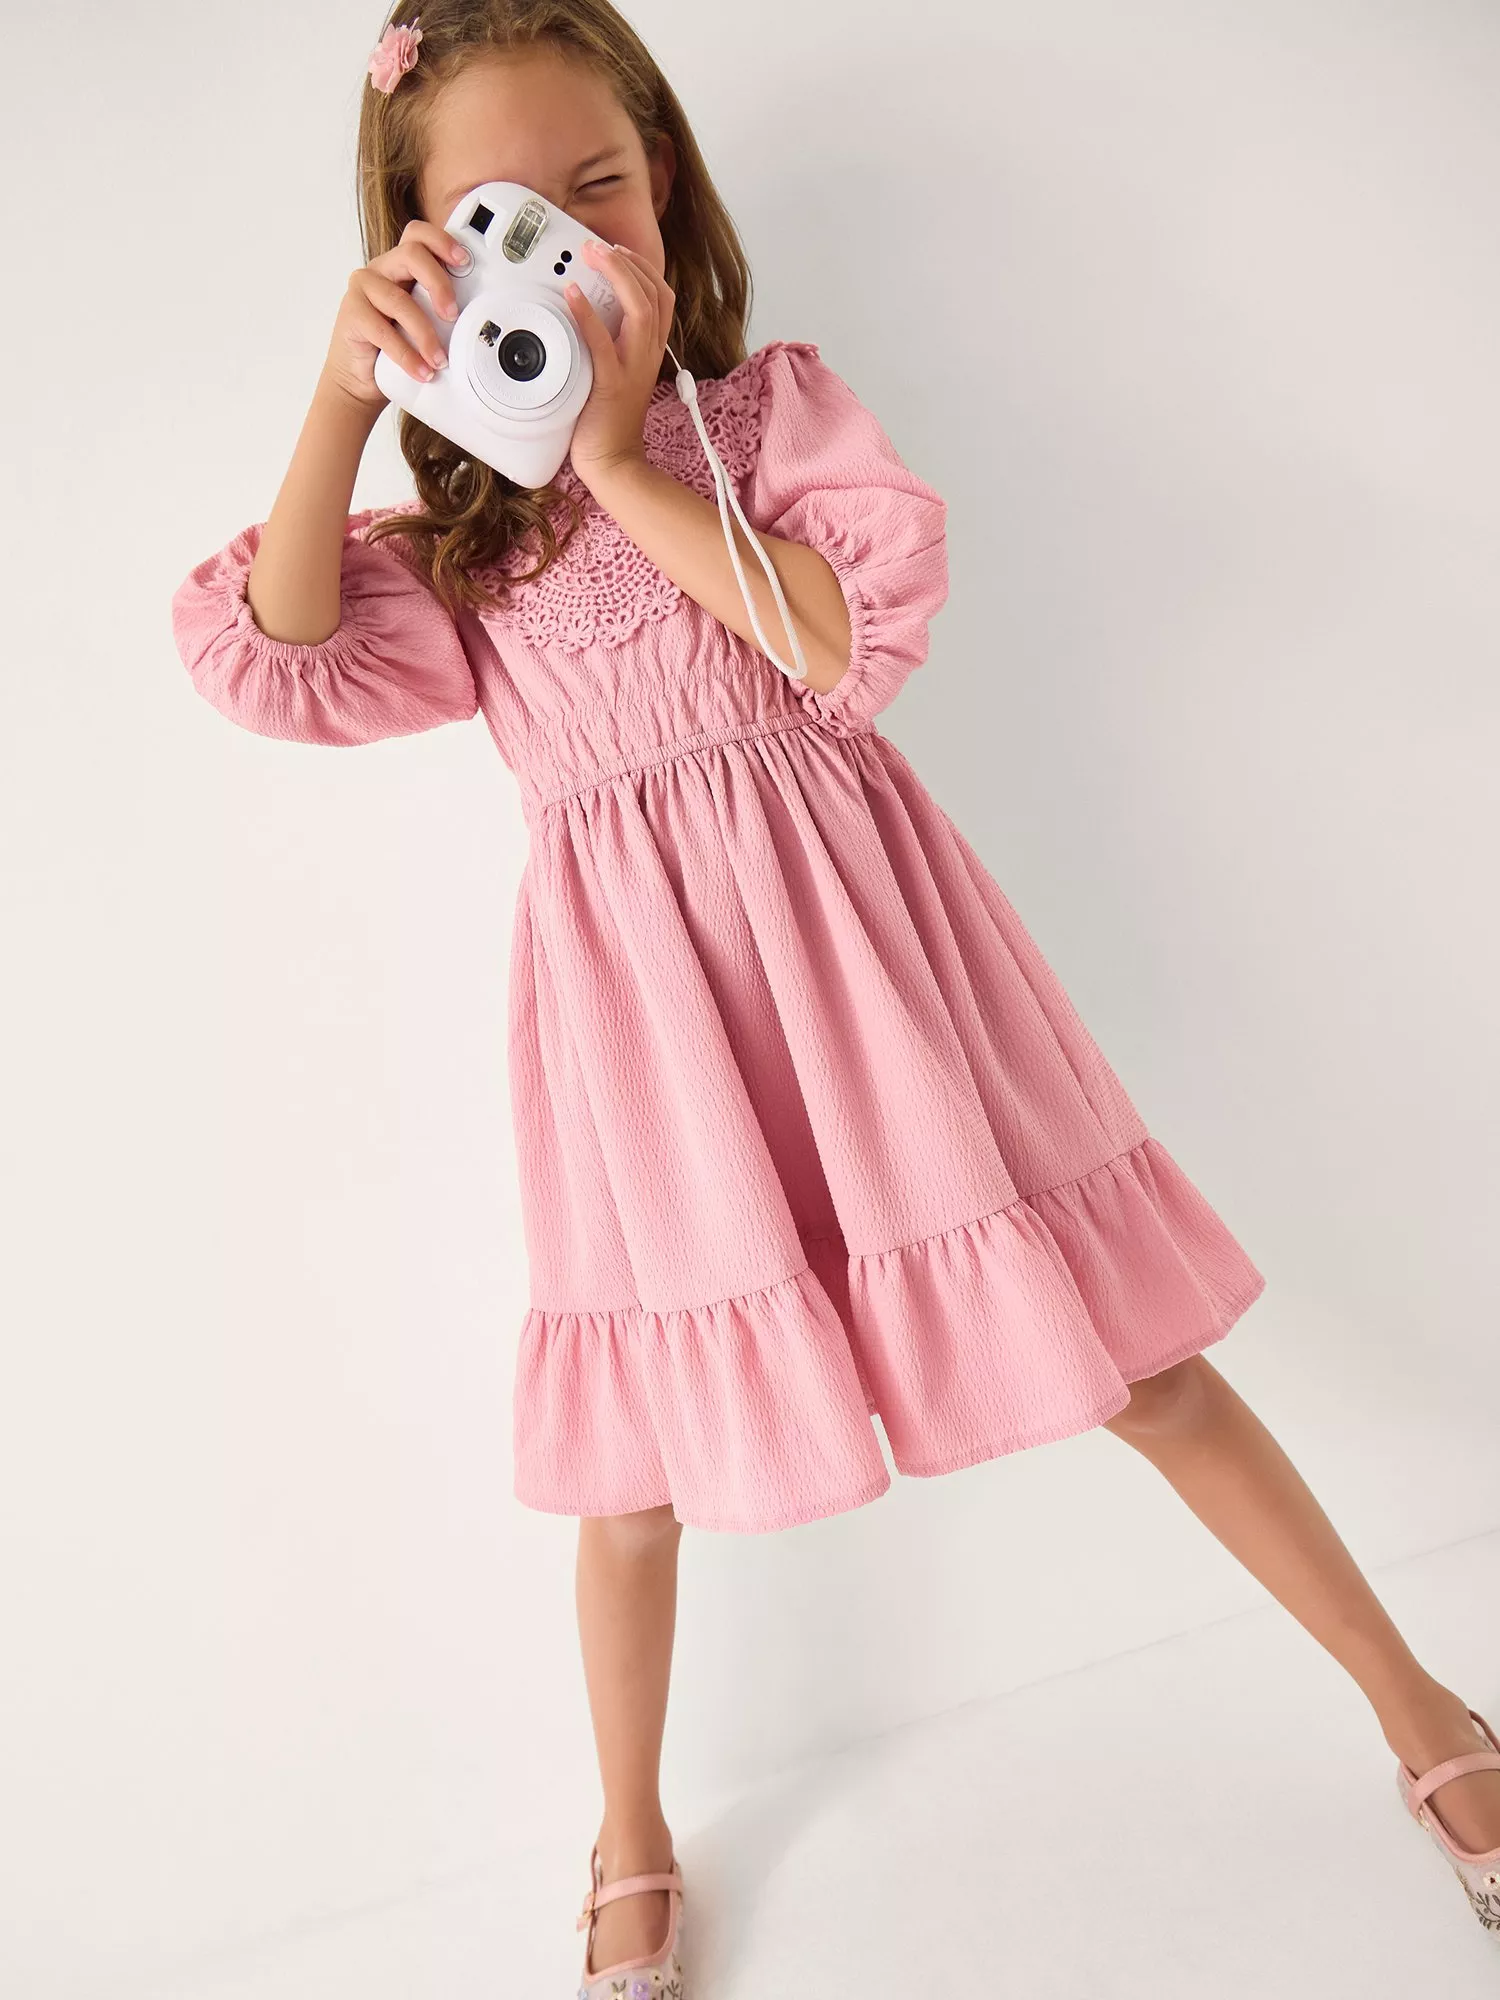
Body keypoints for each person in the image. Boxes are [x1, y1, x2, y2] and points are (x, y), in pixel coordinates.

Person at [168, 3, 1500, 1986]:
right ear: (415, 245)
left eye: (601, 186)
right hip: (646, 1034)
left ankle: (1428, 1712)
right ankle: (627, 1827)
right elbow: (272, 662)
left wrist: (618, 453)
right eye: (501, 213)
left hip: (871, 978)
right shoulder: (450, 536)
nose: (569, 236)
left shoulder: (761, 417)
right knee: (626, 1477)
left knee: (1132, 1361)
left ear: (668, 182)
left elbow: (837, 647)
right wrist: (346, 402)